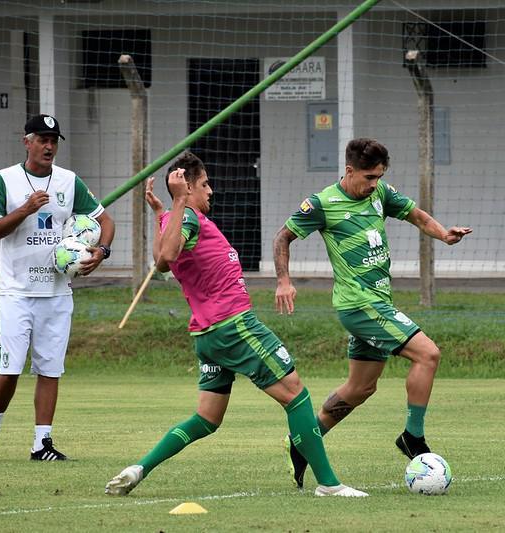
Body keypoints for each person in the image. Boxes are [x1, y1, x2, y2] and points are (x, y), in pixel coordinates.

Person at [105, 152, 366, 497]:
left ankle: (140, 468)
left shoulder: (176, 218)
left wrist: (160, 212)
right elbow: (166, 258)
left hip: (208, 335)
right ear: (189, 189)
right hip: (233, 326)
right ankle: (329, 485)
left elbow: (163, 260)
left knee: (206, 419)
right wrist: (179, 201)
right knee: (297, 396)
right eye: (204, 184)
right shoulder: (189, 219)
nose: (211, 191)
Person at [273, 138, 472, 488]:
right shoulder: (322, 204)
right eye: (368, 177)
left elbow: (415, 214)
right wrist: (284, 281)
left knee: (361, 387)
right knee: (428, 354)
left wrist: (443, 234)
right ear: (349, 171)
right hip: (360, 305)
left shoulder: (379, 193)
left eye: (379, 176)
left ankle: (304, 440)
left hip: (378, 302)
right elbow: (282, 238)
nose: (374, 184)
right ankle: (413, 436)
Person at [0, 114, 115, 462]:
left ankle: (41, 443)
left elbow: (105, 221)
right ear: (27, 142)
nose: (49, 146)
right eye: (42, 139)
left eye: (54, 140)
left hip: (57, 294)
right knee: (10, 368)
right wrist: (24, 210)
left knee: (50, 369)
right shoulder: (4, 179)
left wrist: (101, 252)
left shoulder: (68, 181)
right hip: (17, 293)